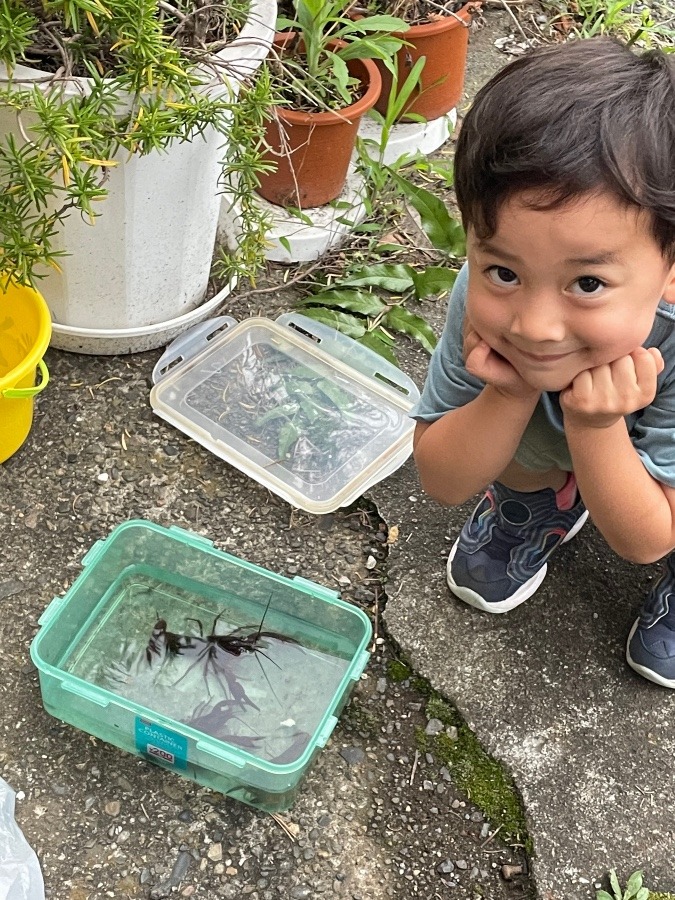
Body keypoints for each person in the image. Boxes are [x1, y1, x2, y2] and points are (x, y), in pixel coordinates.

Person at [411, 36, 675, 688]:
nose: (532, 326)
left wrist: (595, 427)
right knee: (510, 421)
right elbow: (441, 480)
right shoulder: (480, 302)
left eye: (586, 283)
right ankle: (541, 502)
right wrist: (504, 395)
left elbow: (645, 541)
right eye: (502, 268)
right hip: (571, 433)